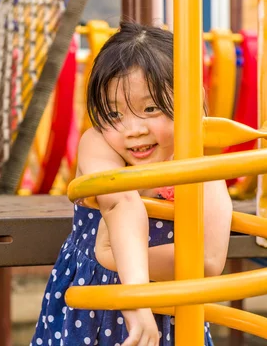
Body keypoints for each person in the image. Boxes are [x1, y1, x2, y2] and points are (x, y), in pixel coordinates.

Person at [30, 22, 233, 346]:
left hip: (167, 314)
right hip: (91, 306)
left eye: (150, 108)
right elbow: (121, 202)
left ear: (190, 102)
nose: (132, 129)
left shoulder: (199, 170)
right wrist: (134, 293)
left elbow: (208, 260)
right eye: (114, 113)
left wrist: (113, 257)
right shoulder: (98, 145)